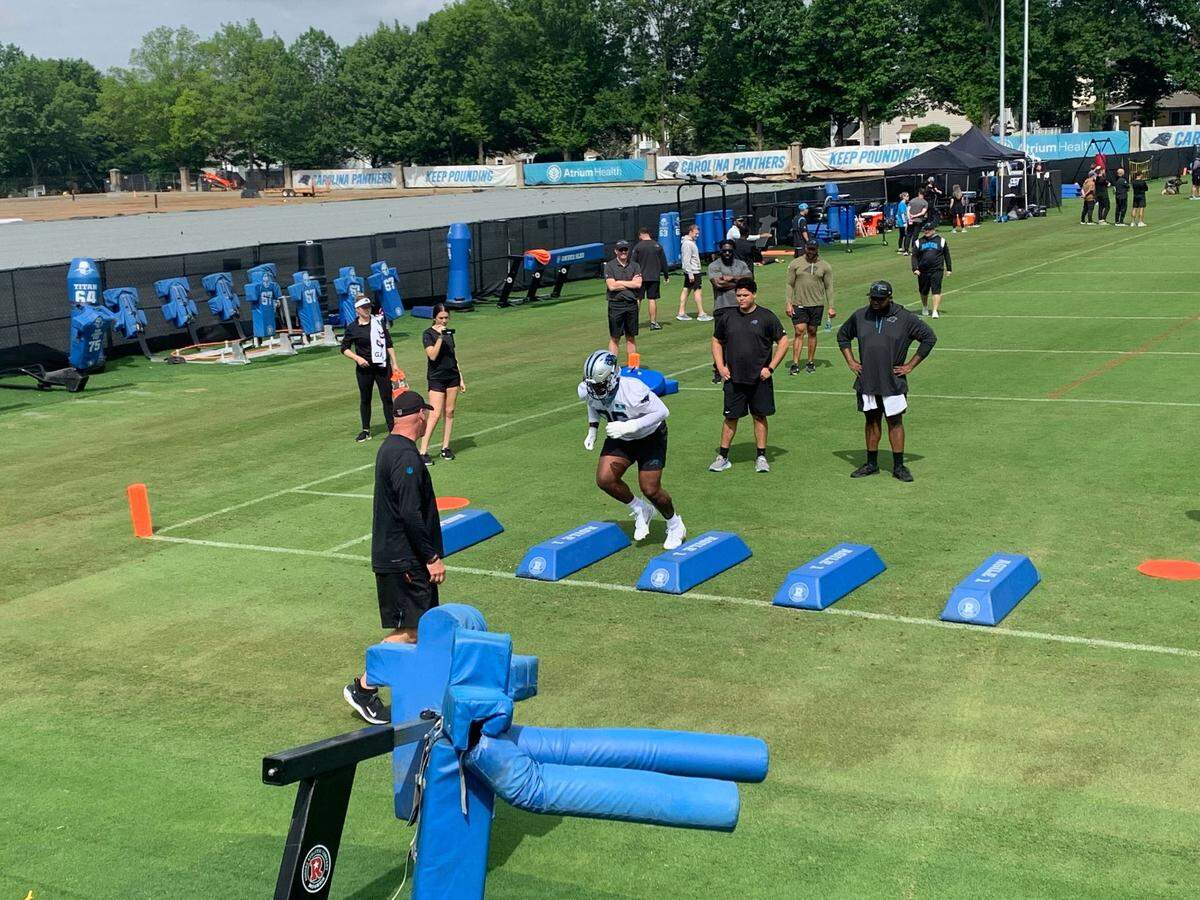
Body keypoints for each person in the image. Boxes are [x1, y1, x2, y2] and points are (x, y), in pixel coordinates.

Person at [343, 390, 442, 725]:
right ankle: (364, 687)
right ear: (417, 415)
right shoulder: (406, 458)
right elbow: (411, 513)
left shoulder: (391, 448)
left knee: (422, 630)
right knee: (412, 631)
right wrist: (431, 557)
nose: (427, 417)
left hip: (400, 559)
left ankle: (417, 694)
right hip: (405, 561)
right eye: (425, 413)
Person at [578, 350, 686, 550]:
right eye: (592, 385)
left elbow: (663, 411)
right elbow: (591, 403)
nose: (594, 390)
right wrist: (592, 430)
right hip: (621, 437)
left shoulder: (633, 389)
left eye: (599, 385)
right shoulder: (589, 389)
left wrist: (631, 426)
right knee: (605, 479)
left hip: (649, 436)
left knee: (650, 489)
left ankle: (675, 524)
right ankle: (640, 509)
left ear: (612, 377)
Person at [836, 281, 936, 483]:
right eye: (872, 298)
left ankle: (899, 466)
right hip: (868, 380)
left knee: (895, 422)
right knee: (871, 421)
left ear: (889, 298)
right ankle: (871, 463)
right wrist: (851, 362)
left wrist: (910, 366)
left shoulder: (905, 317)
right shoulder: (860, 315)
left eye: (880, 299)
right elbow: (843, 336)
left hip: (893, 381)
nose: (875, 302)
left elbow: (929, 338)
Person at [709, 278, 789, 474]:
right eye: (738, 295)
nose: (741, 299)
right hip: (733, 379)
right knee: (730, 417)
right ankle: (723, 456)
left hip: (759, 379)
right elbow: (716, 340)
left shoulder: (766, 317)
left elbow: (784, 341)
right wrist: (720, 366)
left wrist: (770, 368)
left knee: (759, 416)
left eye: (745, 295)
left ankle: (761, 456)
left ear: (754, 295)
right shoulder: (728, 317)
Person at [341, 295, 399, 443]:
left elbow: (389, 344)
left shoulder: (378, 322)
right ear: (357, 310)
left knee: (387, 398)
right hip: (364, 369)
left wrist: (395, 364)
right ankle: (366, 430)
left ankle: (392, 429)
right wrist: (358, 358)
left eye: (369, 307)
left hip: (382, 367)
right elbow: (344, 348)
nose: (367, 310)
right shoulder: (352, 328)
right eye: (364, 308)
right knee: (365, 398)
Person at [418, 304, 466, 465]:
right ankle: (423, 450)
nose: (444, 321)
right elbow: (432, 355)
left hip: (452, 376)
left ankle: (445, 447)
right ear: (434, 318)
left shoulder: (449, 334)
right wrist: (439, 337)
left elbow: (453, 356)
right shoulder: (428, 334)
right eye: (441, 318)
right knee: (435, 413)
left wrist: (460, 377)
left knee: (450, 411)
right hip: (436, 378)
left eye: (446, 318)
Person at [785, 242, 835, 376]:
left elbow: (829, 287)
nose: (811, 251)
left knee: (812, 332)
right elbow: (790, 284)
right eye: (809, 249)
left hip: (817, 304)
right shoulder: (795, 263)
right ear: (805, 248)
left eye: (813, 249)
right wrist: (788, 303)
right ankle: (795, 363)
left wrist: (831, 307)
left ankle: (810, 362)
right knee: (799, 331)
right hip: (799, 303)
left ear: (817, 249)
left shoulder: (825, 266)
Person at [707, 239, 752, 382]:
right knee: (721, 340)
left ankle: (738, 368)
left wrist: (731, 278)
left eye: (729, 251)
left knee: (741, 339)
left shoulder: (741, 264)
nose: (727, 253)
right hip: (722, 307)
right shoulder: (714, 265)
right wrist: (739, 283)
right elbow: (718, 284)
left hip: (741, 307)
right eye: (724, 251)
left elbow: (749, 280)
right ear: (720, 251)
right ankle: (718, 369)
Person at [603, 240, 643, 358]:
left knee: (631, 336)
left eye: (625, 249)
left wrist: (619, 282)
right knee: (615, 337)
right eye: (621, 250)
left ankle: (633, 367)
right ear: (616, 251)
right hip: (616, 305)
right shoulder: (610, 266)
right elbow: (611, 286)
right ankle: (612, 368)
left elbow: (638, 285)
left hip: (631, 304)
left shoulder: (635, 265)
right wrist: (630, 282)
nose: (623, 252)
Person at [631, 226, 670, 331]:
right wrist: (666, 275)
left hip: (640, 278)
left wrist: (632, 277)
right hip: (654, 277)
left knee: (638, 299)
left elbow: (633, 263)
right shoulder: (657, 246)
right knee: (652, 299)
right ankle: (653, 323)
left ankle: (633, 323)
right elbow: (664, 263)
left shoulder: (638, 247)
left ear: (641, 234)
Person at [911, 220, 952, 318]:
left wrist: (949, 269)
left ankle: (934, 311)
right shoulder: (918, 242)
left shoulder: (941, 241)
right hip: (923, 271)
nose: (927, 231)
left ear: (934, 230)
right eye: (925, 230)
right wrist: (915, 268)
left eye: (929, 229)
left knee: (936, 290)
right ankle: (925, 307)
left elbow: (947, 255)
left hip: (937, 270)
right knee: (923, 291)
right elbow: (914, 256)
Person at [676, 224, 711, 322]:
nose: (697, 235)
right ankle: (701, 314)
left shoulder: (690, 242)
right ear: (690, 231)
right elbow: (686, 260)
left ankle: (681, 313)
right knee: (697, 291)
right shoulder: (688, 244)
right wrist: (691, 274)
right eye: (696, 233)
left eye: (698, 233)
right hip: (693, 271)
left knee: (686, 290)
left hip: (692, 271)